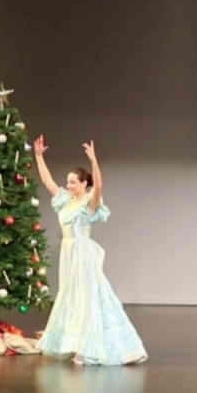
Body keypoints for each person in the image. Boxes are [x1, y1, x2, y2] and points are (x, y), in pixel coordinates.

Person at [32, 135, 148, 366]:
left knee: (87, 298)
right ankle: (71, 342)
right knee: (71, 296)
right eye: (68, 181)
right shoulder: (65, 200)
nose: (68, 185)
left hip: (82, 253)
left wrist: (94, 161)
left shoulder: (89, 202)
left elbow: (100, 186)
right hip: (68, 253)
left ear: (84, 183)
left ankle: (87, 348)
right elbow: (48, 182)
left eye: (73, 181)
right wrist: (38, 156)